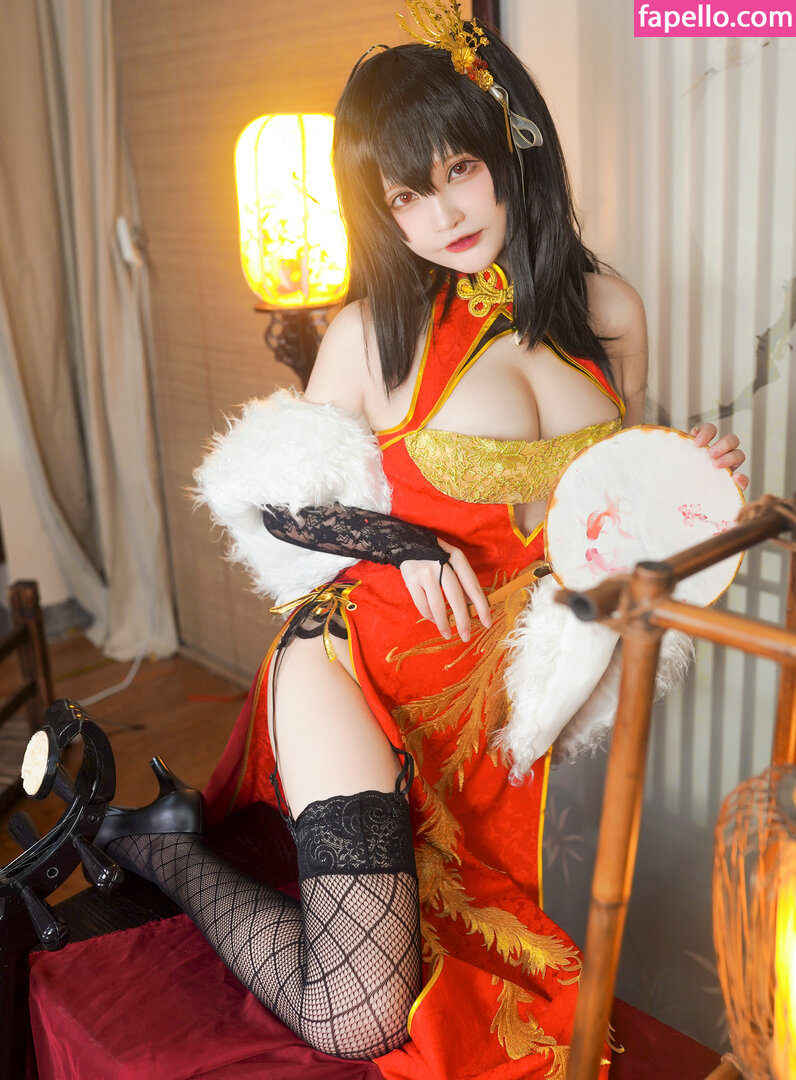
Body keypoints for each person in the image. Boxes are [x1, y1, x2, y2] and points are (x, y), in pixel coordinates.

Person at [100, 6, 747, 1078]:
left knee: (489, 974)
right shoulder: (372, 332)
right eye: (405, 197)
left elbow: (609, 500)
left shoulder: (610, 313)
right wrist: (399, 539)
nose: (441, 215)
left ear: (511, 149)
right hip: (353, 664)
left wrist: (696, 470)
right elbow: (275, 502)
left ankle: (181, 840)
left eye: (458, 171)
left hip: (488, 701)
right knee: (355, 1015)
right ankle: (166, 851)